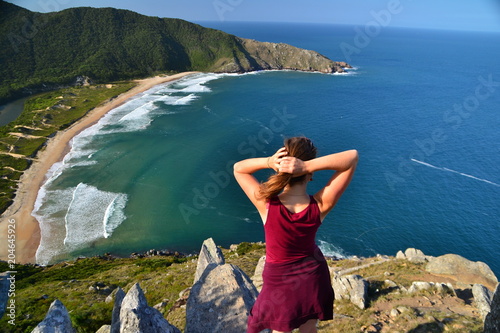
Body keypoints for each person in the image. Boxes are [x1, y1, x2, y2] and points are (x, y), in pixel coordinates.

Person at [233, 136, 358, 333]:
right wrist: (308, 166)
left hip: (278, 283)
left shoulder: (266, 203)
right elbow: (352, 157)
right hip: (313, 276)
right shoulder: (320, 205)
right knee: (309, 328)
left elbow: (238, 168)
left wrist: (269, 162)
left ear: (281, 169)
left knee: (280, 329)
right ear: (310, 175)